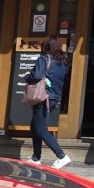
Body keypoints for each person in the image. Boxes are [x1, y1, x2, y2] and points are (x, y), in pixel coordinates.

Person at [24, 34, 71, 168]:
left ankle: (61, 156)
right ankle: (36, 157)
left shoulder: (44, 59)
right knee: (35, 126)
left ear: (46, 46)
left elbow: (37, 75)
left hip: (43, 97)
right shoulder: (62, 63)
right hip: (54, 97)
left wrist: (27, 76)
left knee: (40, 129)